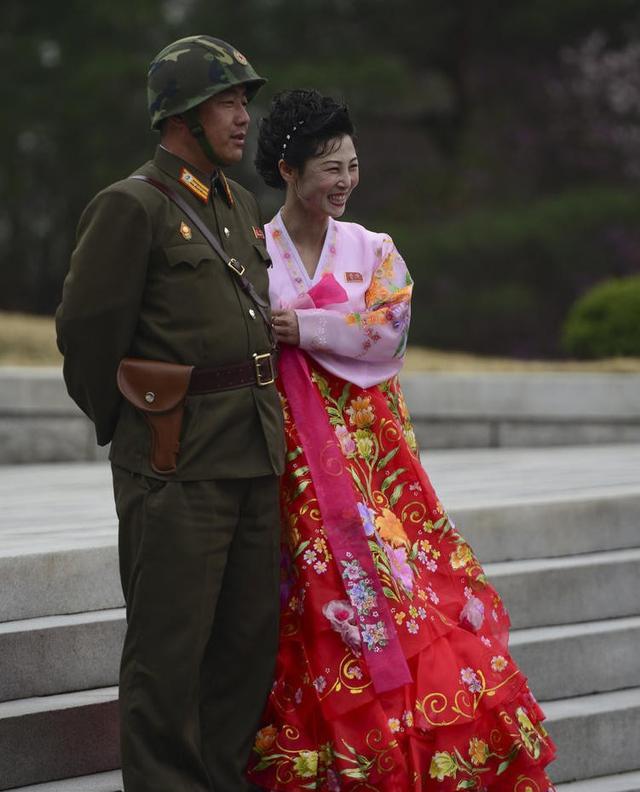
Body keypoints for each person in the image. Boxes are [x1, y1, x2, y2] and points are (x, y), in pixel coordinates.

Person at [246, 89, 556, 791]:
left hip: (373, 458)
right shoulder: (253, 250)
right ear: (289, 170)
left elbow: (389, 328)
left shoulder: (373, 248)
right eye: (330, 167)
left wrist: (306, 328)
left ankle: (417, 738)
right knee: (316, 589)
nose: (346, 181)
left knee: (403, 583)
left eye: (353, 165)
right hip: (291, 455)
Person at [56, 36, 285, 792]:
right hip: (175, 464)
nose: (243, 116)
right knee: (169, 649)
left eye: (244, 100)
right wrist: (140, 427)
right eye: (228, 100)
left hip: (253, 456)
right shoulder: (132, 206)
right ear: (183, 112)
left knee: (247, 644)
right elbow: (87, 335)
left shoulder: (239, 202)